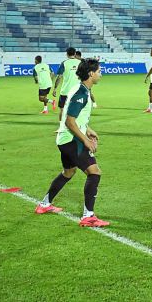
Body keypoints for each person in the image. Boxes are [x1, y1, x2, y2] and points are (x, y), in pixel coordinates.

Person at [34, 58, 108, 227]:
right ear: (91, 73)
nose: (100, 73)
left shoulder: (81, 89)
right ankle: (88, 216)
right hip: (71, 140)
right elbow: (69, 121)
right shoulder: (81, 93)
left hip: (65, 139)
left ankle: (44, 204)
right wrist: (86, 141)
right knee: (94, 172)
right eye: (98, 71)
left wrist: (87, 128)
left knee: (68, 172)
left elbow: (74, 116)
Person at [52, 47, 81, 116]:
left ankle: (62, 126)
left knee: (62, 109)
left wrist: (55, 89)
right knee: (77, 109)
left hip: (65, 91)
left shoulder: (64, 63)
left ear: (67, 54)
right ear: (75, 54)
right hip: (77, 91)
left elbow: (59, 77)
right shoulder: (80, 63)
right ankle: (76, 125)